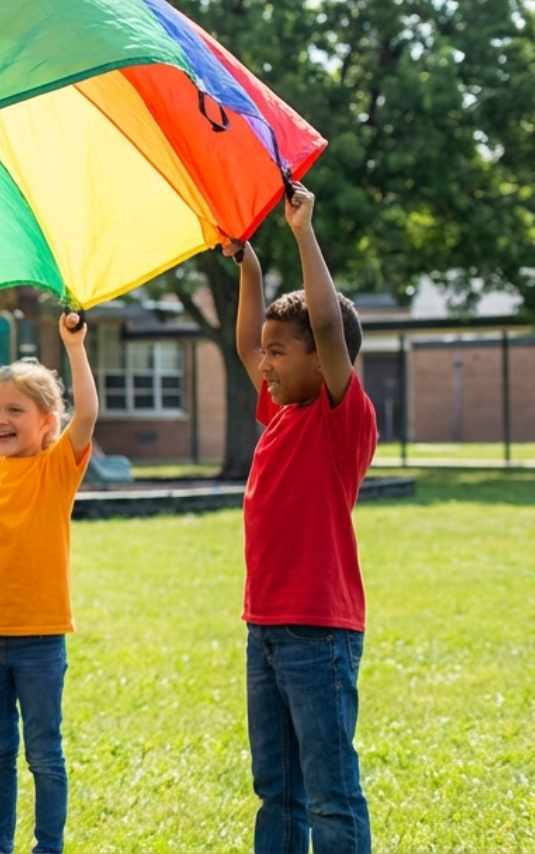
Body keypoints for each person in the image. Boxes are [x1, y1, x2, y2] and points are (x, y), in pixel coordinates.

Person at [224, 183, 376, 853]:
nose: (265, 363)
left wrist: (302, 232)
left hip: (319, 631)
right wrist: (251, 267)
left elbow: (322, 321)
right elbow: (242, 346)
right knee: (276, 787)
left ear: (323, 356)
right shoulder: (280, 413)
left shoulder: (338, 420)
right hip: (266, 625)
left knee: (330, 790)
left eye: (279, 353)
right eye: (266, 353)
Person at [0, 313, 98, 854]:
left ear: (47, 422)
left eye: (15, 410)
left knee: (43, 751)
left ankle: (48, 846)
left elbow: (87, 412)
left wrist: (74, 347)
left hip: (40, 638)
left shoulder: (57, 467)